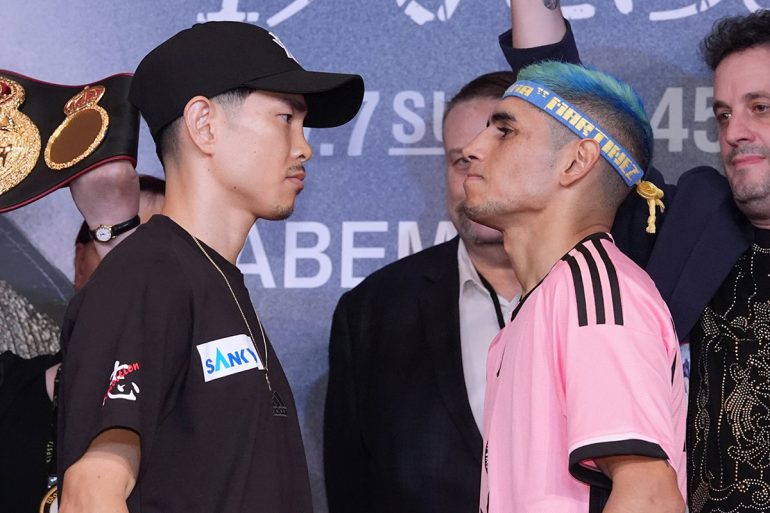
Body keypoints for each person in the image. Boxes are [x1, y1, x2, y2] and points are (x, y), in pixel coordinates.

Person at [56, 21, 363, 513]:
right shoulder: (147, 275)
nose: (304, 146)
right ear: (204, 125)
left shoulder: (208, 278)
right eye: (286, 118)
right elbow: (89, 494)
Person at [462, 61, 686, 513]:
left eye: (504, 131)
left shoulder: (597, 293)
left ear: (576, 161)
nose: (471, 149)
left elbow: (649, 496)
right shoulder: (548, 301)